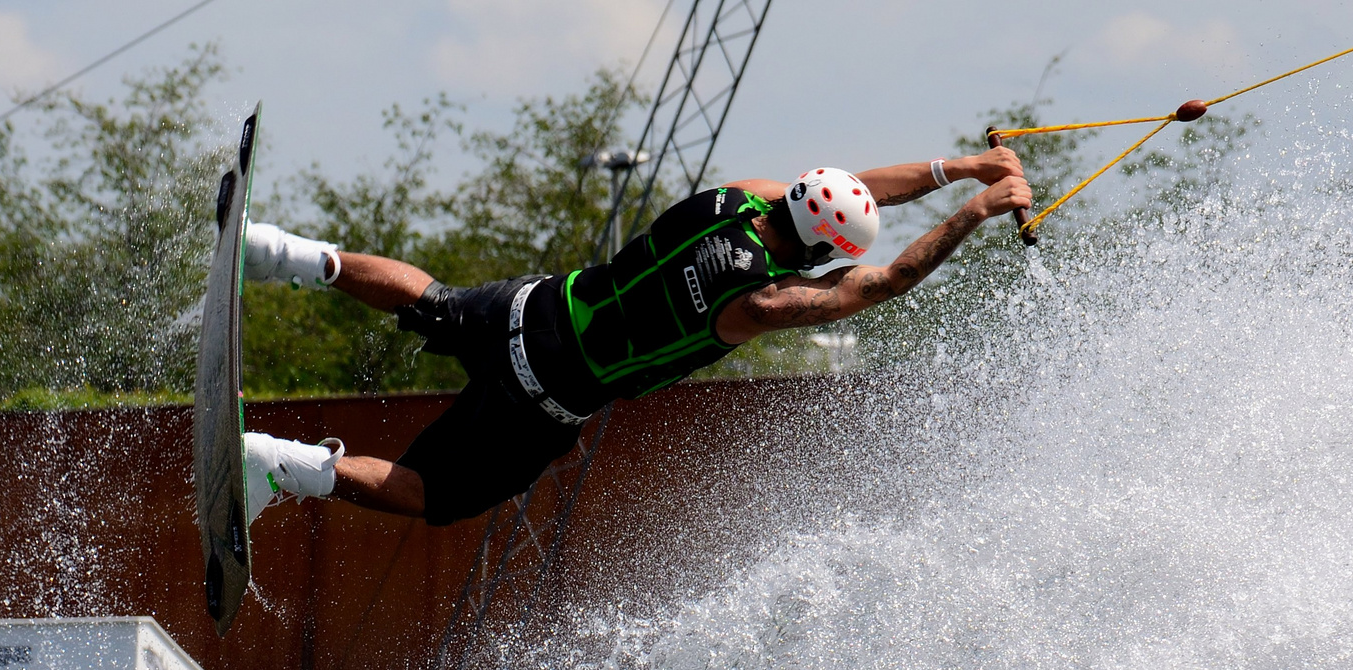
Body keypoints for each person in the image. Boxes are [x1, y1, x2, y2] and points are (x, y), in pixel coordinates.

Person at [239, 148, 1034, 527]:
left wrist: (959, 166)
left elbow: (849, 192)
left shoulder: (741, 196)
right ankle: (282, 464)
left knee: (435, 301)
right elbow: (887, 280)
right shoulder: (757, 301)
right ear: (823, 248)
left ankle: (278, 253)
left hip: (539, 305)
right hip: (549, 392)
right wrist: (977, 211)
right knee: (431, 492)